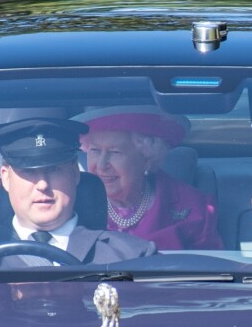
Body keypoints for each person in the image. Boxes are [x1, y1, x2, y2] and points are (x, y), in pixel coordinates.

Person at [0, 118, 157, 270]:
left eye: (54, 169)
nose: (42, 184)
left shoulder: (130, 257)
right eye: (28, 171)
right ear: (5, 178)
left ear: (75, 174)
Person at [73, 105, 223, 250]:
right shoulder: (70, 203)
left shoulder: (195, 206)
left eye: (115, 152)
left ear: (148, 157)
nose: (101, 166)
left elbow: (210, 269)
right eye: (95, 151)